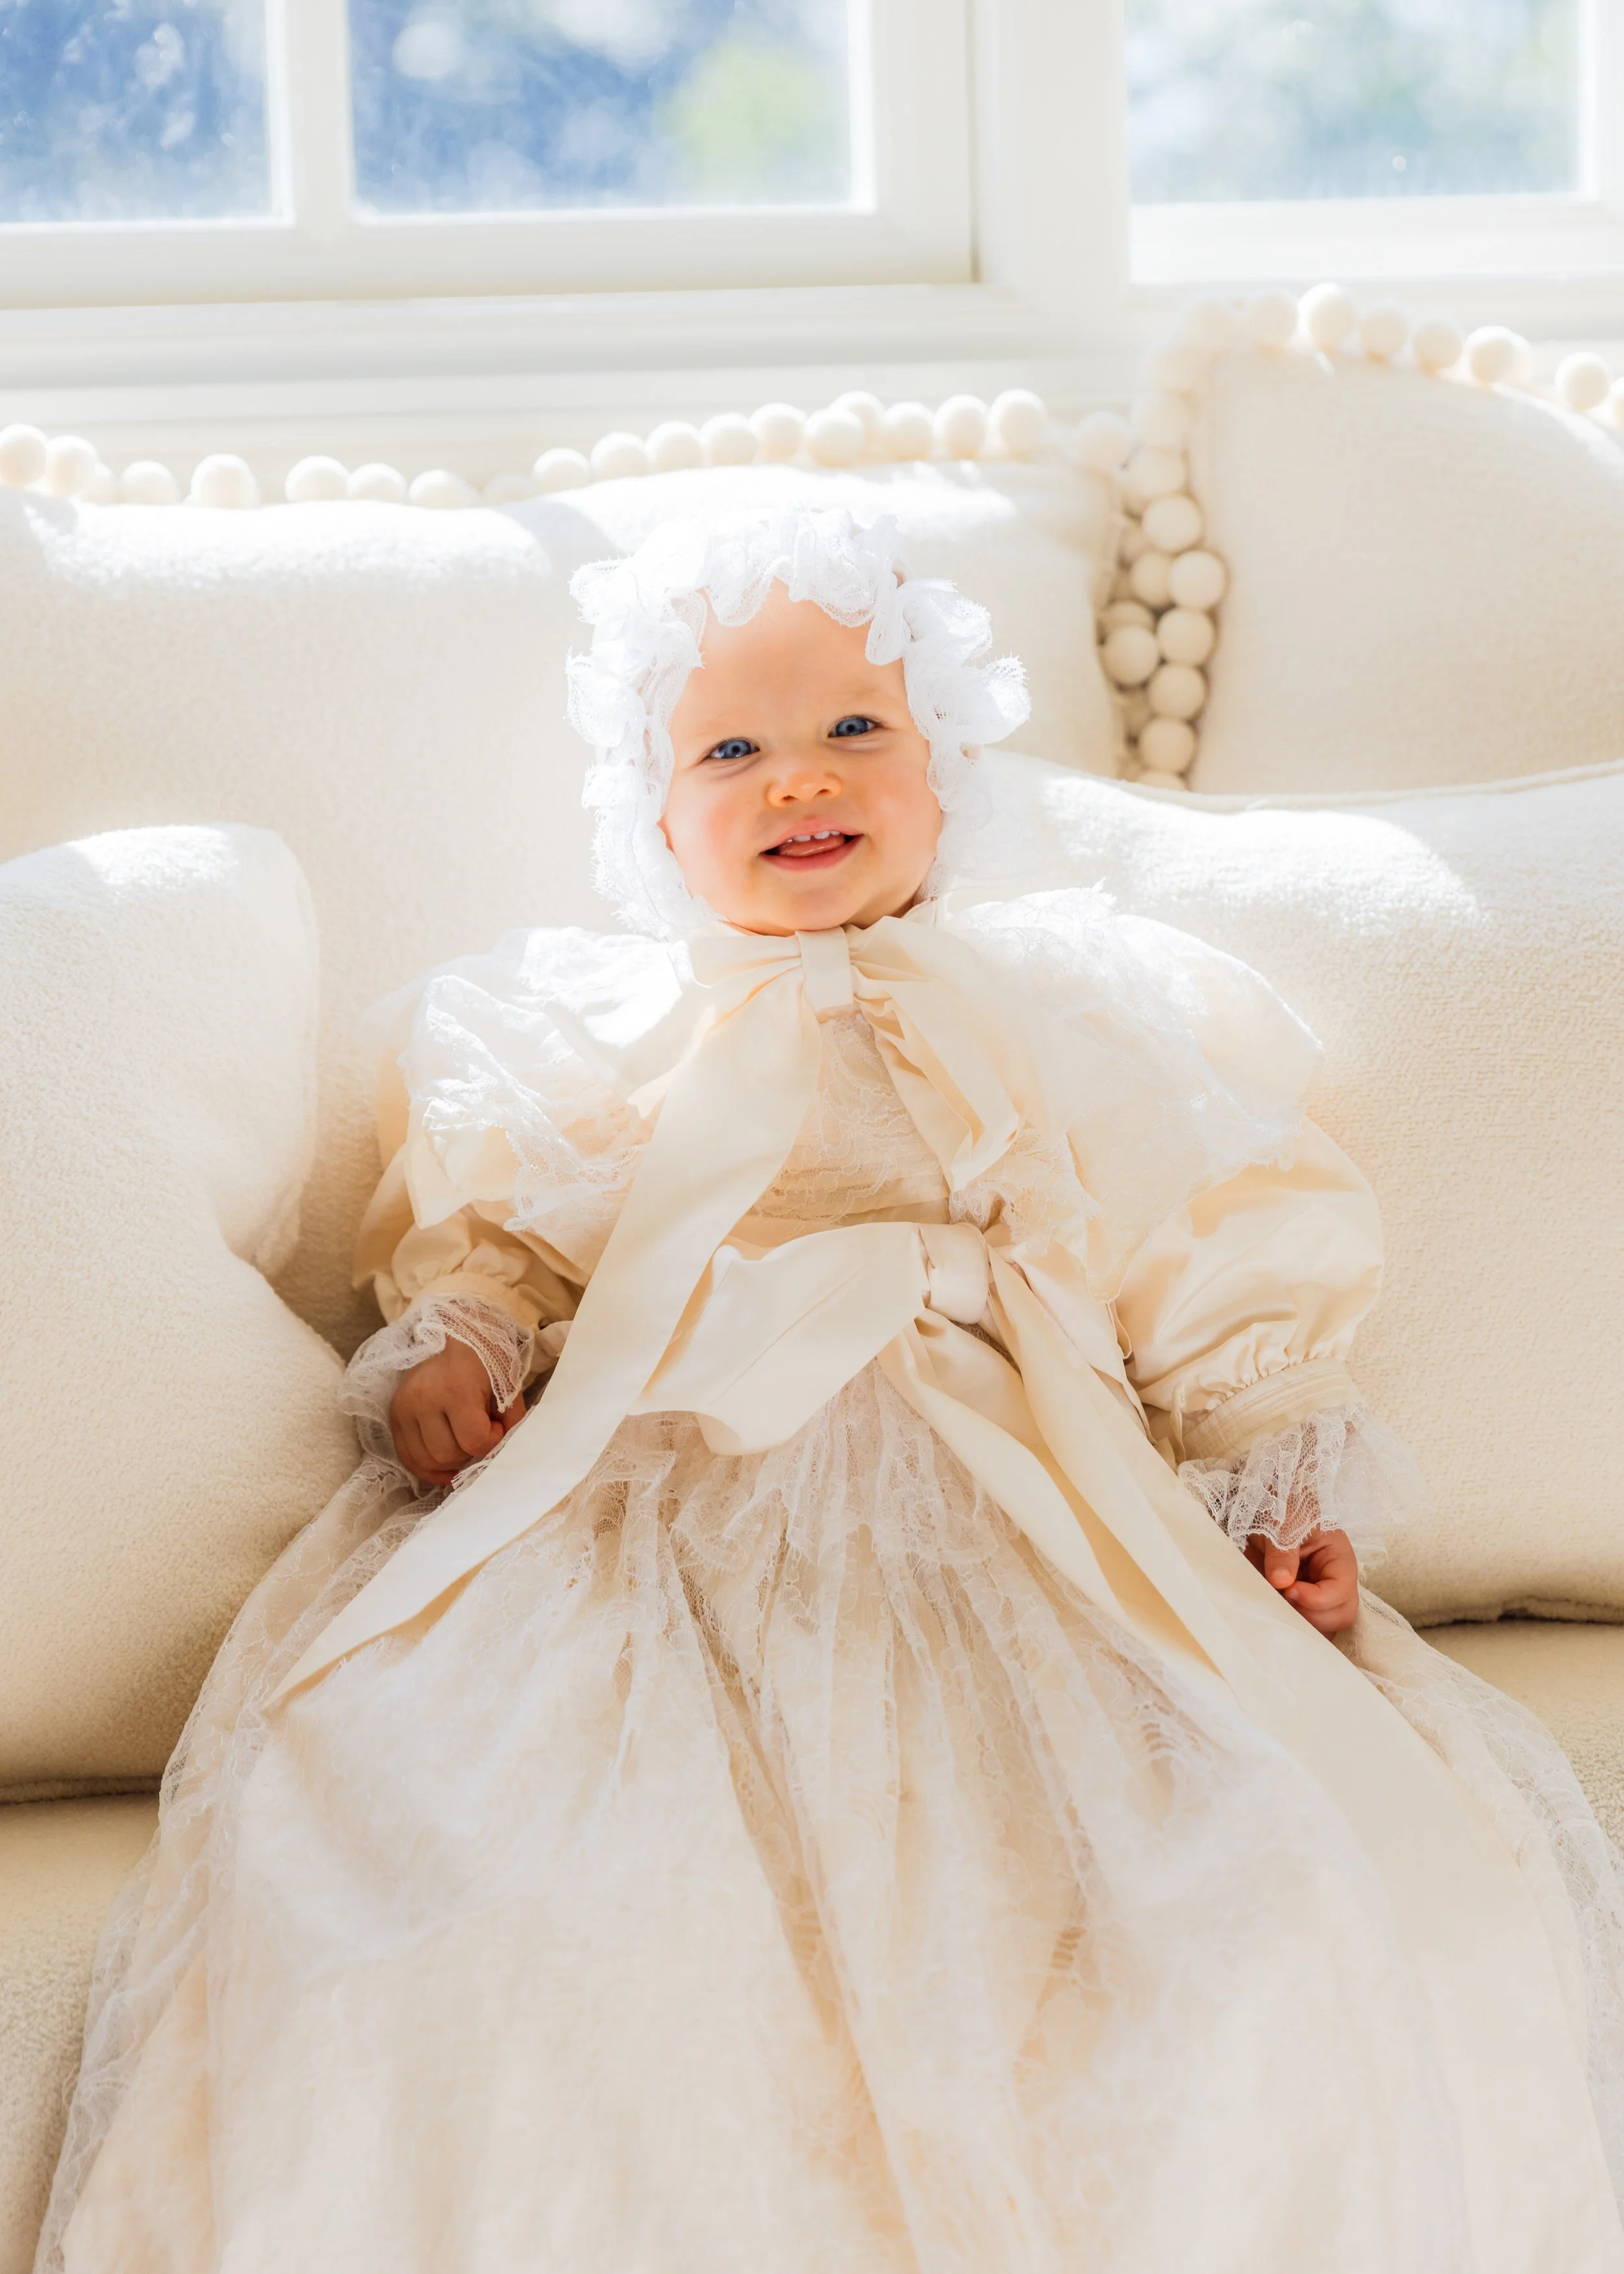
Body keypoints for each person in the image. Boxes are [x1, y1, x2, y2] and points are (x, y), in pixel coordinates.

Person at [39, 507, 1624, 2274]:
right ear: (652, 819)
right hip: (652, 1518)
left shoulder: (1066, 1012)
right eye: (730, 748)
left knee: (1248, 1875)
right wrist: (463, 1348)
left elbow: (1201, 1265)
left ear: (950, 771)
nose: (799, 775)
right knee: (508, 1890)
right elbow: (510, 1247)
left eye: (855, 729)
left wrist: (1271, 1485)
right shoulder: (606, 1025)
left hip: (1021, 1524)